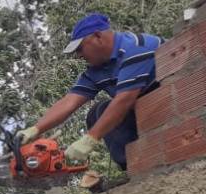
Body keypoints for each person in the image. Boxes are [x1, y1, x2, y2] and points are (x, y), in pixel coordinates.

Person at [17, 12, 163, 170]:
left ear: (98, 37)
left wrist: (90, 139)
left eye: (80, 49)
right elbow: (70, 101)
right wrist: (35, 129)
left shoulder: (136, 49)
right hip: (143, 110)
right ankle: (134, 168)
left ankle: (148, 165)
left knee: (110, 109)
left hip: (170, 102)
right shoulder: (96, 69)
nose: (79, 56)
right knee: (96, 112)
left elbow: (124, 100)